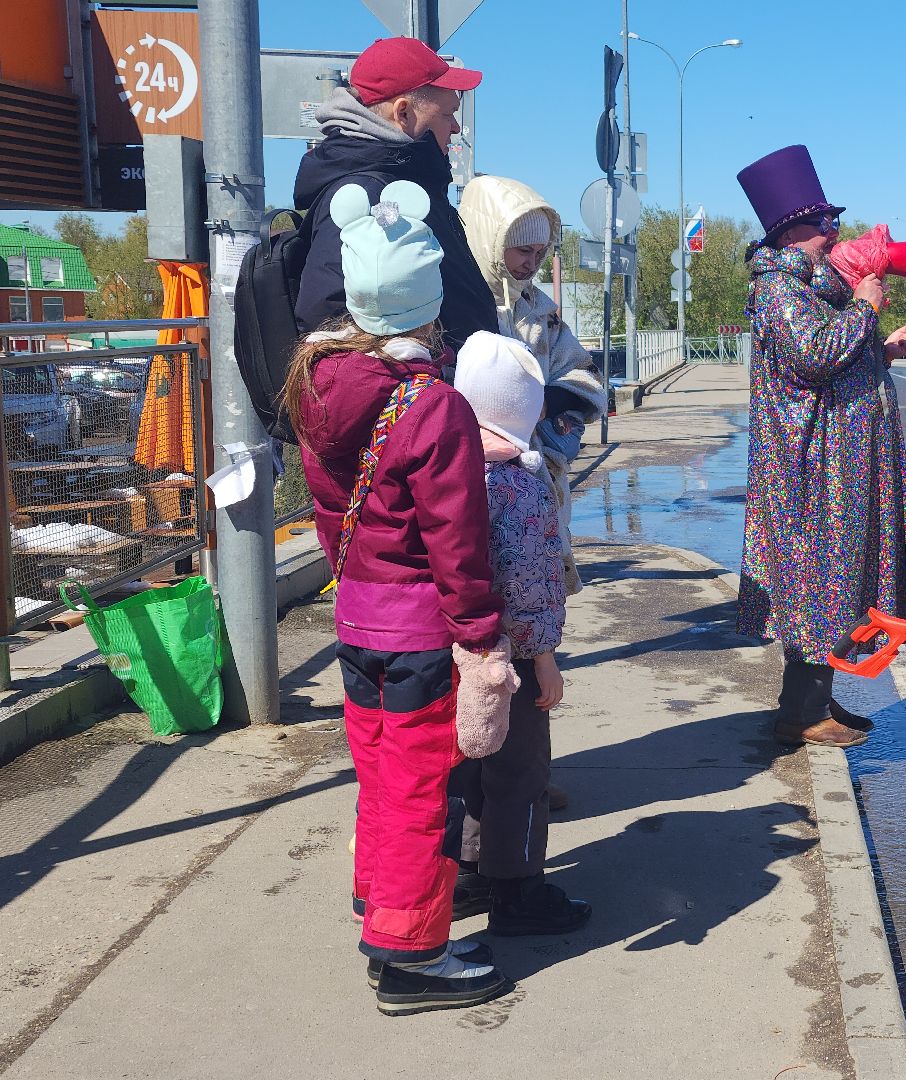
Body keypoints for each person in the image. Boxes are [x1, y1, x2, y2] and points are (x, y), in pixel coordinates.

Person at [283, 178, 515, 1016]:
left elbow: (323, 512)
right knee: (425, 788)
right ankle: (411, 954)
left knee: (379, 774)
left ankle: (377, 903)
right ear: (426, 306)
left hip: (356, 619)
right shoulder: (432, 407)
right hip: (421, 627)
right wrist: (481, 639)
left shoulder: (317, 388)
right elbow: (458, 544)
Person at [734, 145, 906, 748]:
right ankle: (800, 711)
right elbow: (812, 355)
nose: (832, 233)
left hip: (834, 465)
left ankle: (818, 699)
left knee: (836, 579)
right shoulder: (778, 291)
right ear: (793, 229)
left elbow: (830, 353)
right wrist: (866, 311)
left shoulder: (810, 287)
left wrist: (879, 345)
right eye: (823, 224)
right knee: (818, 580)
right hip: (811, 467)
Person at [443, 331, 593, 936]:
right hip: (514, 652)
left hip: (455, 647)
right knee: (522, 771)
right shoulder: (519, 479)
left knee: (469, 764)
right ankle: (519, 885)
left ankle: (473, 869)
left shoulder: (447, 466)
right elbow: (531, 580)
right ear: (526, 412)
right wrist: (545, 660)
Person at [456, 174, 607, 597]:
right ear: (491, 240)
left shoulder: (540, 309)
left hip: (536, 473)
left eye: (541, 252)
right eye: (524, 249)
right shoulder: (458, 304)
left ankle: (537, 654)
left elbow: (585, 373)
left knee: (533, 589)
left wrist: (548, 403)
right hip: (474, 472)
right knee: (481, 585)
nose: (533, 262)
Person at [292, 37, 495, 350]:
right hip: (422, 396)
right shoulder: (376, 196)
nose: (455, 127)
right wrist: (424, 386)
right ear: (403, 113)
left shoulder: (394, 183)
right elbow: (331, 324)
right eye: (447, 113)